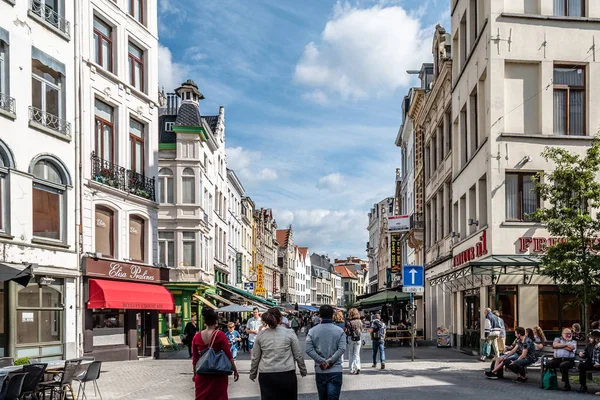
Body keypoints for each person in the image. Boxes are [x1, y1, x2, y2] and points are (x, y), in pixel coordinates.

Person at [249, 308, 307, 400]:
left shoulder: (260, 335)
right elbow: (298, 354)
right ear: (280, 318)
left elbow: (255, 357)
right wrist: (303, 370)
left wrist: (253, 373)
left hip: (266, 374)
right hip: (286, 373)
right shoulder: (289, 333)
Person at [192, 308, 239, 400]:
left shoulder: (196, 337)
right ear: (216, 321)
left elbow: (195, 359)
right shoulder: (220, 335)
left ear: (204, 321)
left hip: (202, 374)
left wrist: (195, 374)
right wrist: (235, 370)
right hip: (219, 373)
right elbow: (229, 355)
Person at [306, 305, 346, 400]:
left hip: (320, 369)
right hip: (335, 369)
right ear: (332, 315)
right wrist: (330, 361)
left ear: (320, 316)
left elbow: (309, 349)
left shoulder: (312, 331)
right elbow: (342, 349)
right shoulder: (340, 331)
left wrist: (322, 361)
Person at [346, 308, 363, 375]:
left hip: (351, 338)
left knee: (351, 354)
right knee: (357, 354)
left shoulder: (349, 322)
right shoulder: (360, 321)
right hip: (358, 338)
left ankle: (351, 369)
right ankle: (358, 367)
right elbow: (361, 330)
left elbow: (347, 332)